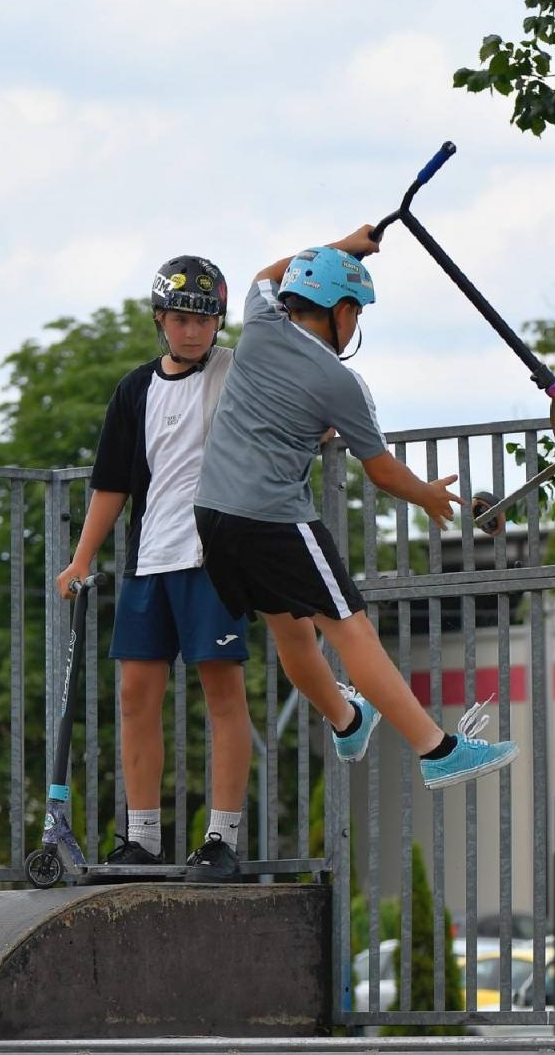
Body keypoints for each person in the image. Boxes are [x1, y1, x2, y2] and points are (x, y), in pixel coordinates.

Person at [194, 227, 518, 789]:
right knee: (351, 630)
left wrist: (344, 246)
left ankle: (347, 720)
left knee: (293, 631)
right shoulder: (340, 382)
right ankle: (436, 749)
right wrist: (426, 494)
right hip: (273, 516)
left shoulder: (261, 322)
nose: (356, 324)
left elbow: (266, 275)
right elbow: (381, 469)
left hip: (214, 516)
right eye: (357, 313)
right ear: (341, 311)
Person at [56, 254, 252, 883]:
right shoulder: (134, 389)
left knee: (222, 694)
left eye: (205, 318)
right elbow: (112, 483)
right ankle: (141, 840)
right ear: (160, 320)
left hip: (213, 558)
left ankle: (221, 839)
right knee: (135, 696)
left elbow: (293, 398)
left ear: (219, 321)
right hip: (149, 559)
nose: (193, 330)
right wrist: (81, 558)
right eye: (180, 318)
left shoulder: (236, 370)